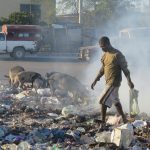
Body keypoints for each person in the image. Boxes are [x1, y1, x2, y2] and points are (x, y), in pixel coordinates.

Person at [91, 36, 134, 131]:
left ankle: (102, 124)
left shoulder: (117, 54)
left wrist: (129, 81)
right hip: (108, 82)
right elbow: (102, 69)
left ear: (107, 44)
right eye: (100, 47)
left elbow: (125, 69)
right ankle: (124, 119)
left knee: (102, 101)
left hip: (113, 82)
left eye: (103, 46)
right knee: (116, 101)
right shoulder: (105, 55)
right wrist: (95, 80)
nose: (102, 48)